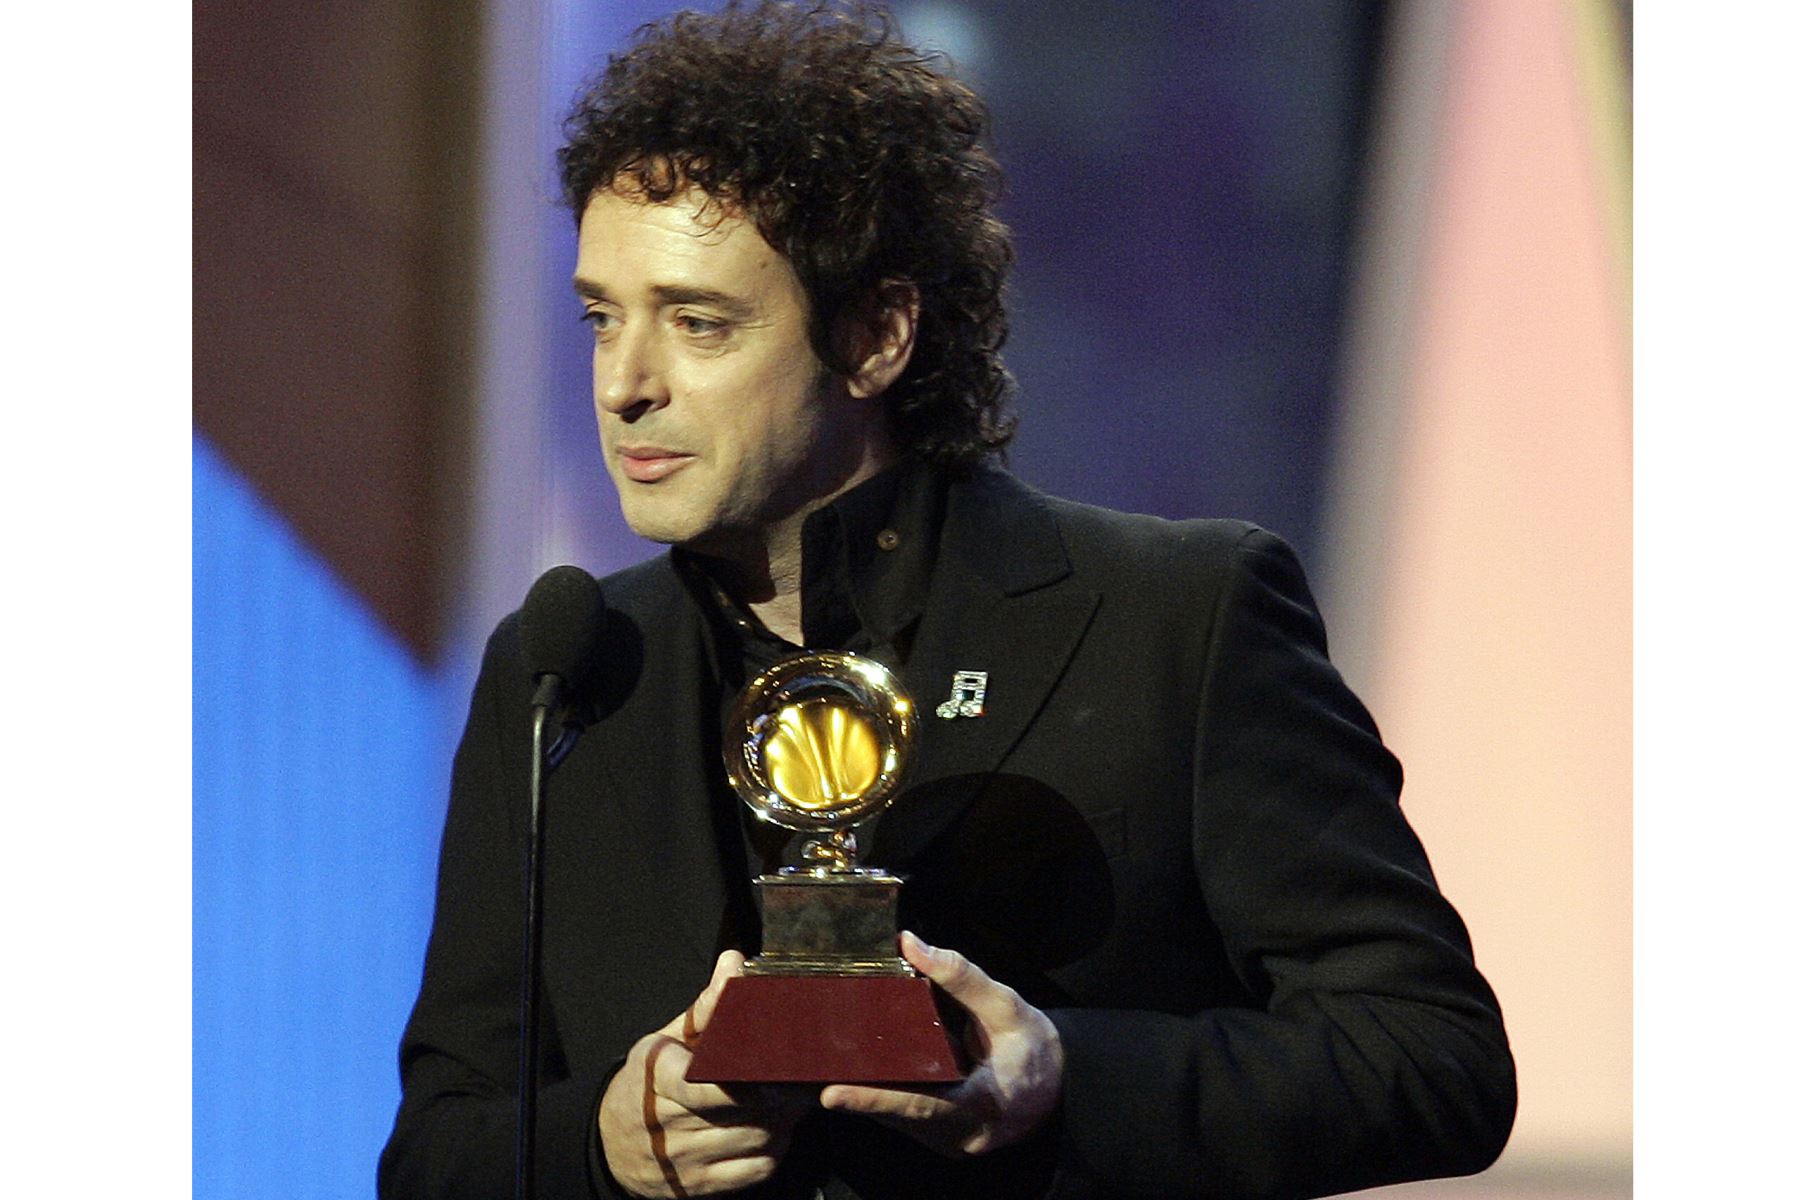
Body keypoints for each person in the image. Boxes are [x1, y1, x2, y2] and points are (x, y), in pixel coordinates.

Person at [378, 4, 1516, 1198]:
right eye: (603, 317)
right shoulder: (567, 669)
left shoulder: (1178, 617)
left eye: (698, 322)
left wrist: (1065, 1078)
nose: (623, 386)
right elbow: (437, 1151)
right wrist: (601, 1147)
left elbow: (1430, 1059)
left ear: (875, 336)